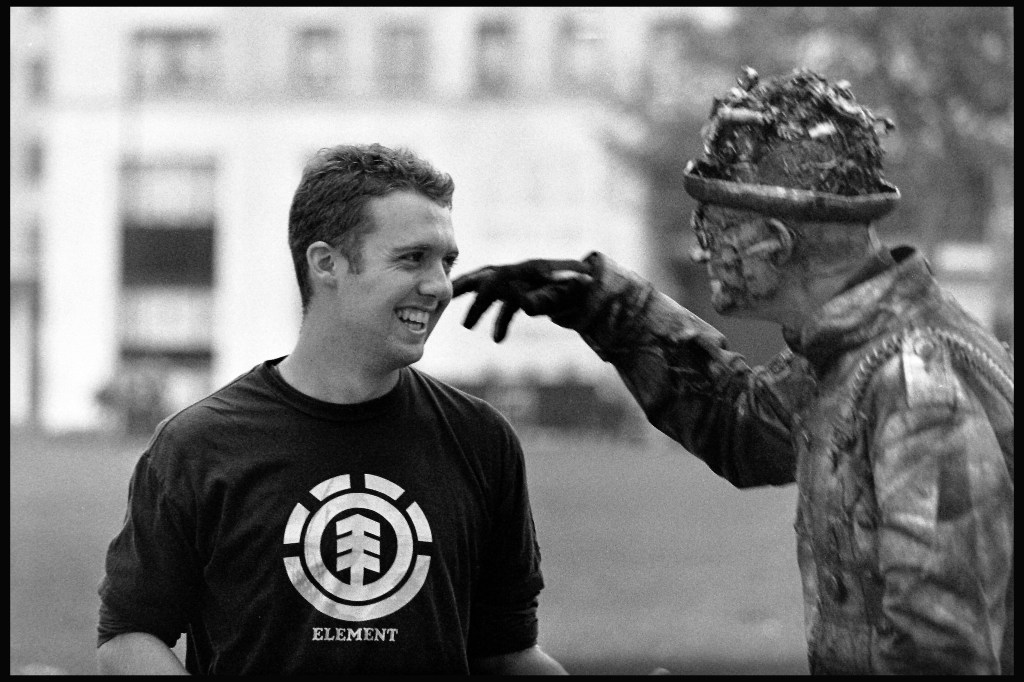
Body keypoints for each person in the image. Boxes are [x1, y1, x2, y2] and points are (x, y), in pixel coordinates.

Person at [452, 69, 1014, 675]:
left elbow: (941, 654)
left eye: (715, 226)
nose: (702, 249)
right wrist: (607, 307)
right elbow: (743, 427)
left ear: (774, 240)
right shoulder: (851, 353)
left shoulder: (917, 377)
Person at [96, 143, 568, 675]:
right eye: (412, 258)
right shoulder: (198, 444)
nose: (440, 286)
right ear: (326, 264)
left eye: (446, 262)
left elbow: (506, 653)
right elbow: (129, 635)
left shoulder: (480, 439)